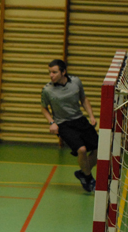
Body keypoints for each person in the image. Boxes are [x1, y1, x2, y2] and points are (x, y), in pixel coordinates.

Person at [41, 58, 98, 192]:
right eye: (49, 72)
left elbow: (83, 98)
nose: (51, 75)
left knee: (99, 149)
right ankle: (89, 178)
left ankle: (83, 173)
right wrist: (52, 123)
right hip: (63, 124)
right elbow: (44, 108)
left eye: (54, 72)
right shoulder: (47, 90)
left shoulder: (76, 82)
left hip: (80, 120)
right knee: (81, 150)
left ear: (63, 72)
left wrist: (91, 115)